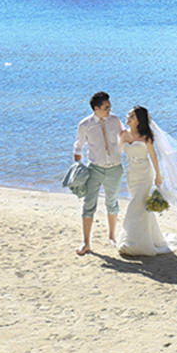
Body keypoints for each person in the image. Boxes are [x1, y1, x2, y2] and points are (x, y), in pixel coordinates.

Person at [72, 91, 124, 256]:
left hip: (115, 168)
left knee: (112, 203)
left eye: (110, 107)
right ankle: (86, 243)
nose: (110, 110)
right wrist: (77, 166)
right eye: (106, 107)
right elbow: (78, 145)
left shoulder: (115, 121)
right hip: (95, 169)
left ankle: (112, 236)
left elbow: (125, 137)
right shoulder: (85, 124)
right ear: (96, 108)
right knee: (89, 205)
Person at [117, 105, 171, 256]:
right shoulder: (123, 135)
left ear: (138, 121)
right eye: (129, 114)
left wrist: (158, 176)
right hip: (131, 175)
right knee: (141, 208)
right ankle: (150, 238)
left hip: (145, 175)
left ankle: (131, 242)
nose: (128, 117)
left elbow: (154, 157)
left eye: (132, 116)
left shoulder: (146, 137)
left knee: (135, 207)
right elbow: (118, 154)